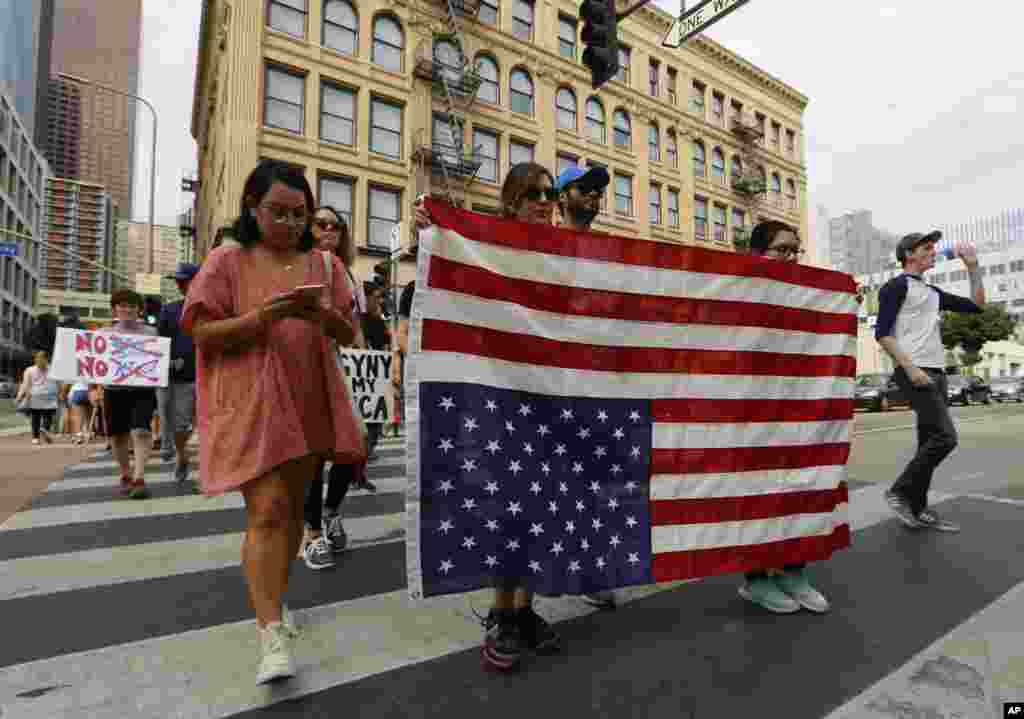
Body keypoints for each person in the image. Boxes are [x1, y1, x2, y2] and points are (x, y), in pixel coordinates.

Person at [182, 160, 362, 685]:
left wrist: (319, 316)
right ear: (252, 210)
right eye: (277, 212)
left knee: (289, 513)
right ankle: (269, 634)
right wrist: (262, 317)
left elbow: (347, 332)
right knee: (267, 509)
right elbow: (202, 332)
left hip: (308, 396)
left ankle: (275, 601)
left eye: (299, 213)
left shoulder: (324, 265)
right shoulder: (227, 259)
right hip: (249, 400)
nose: (289, 223)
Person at [415, 164, 563, 672]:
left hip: (550, 398)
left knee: (538, 509)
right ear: (510, 201)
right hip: (500, 402)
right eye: (533, 194)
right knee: (508, 508)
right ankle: (502, 613)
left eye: (550, 194)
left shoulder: (564, 254)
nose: (545, 201)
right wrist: (433, 234)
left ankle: (524, 611)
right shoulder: (488, 246)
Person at [730, 220, 832, 615]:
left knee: (797, 491)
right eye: (781, 250)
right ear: (758, 254)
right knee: (757, 498)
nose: (790, 257)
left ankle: (793, 572)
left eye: (795, 250)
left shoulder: (807, 297)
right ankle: (755, 581)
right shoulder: (737, 293)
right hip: (752, 412)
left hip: (797, 411)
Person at [876, 231, 984, 533]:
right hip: (915, 370)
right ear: (909, 254)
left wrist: (973, 267)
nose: (933, 251)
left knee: (929, 440)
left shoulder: (932, 292)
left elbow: (977, 305)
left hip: (936, 371)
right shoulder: (895, 287)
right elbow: (882, 333)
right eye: (927, 247)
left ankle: (918, 507)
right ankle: (899, 491)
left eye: (934, 247)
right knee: (945, 438)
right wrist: (910, 369)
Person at [299, 205, 365, 571]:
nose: (328, 231)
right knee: (315, 451)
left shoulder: (345, 274)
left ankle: (330, 511)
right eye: (320, 224)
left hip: (342, 366)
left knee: (351, 444)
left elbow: (353, 324)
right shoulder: (300, 264)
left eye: (336, 227)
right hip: (307, 368)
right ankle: (310, 532)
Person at [103, 289, 160, 499]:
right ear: (114, 308)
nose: (127, 309)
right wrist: (92, 389)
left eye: (132, 306)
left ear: (139, 310)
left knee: (141, 431)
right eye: (122, 305)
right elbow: (92, 364)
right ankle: (126, 474)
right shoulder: (103, 334)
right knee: (118, 436)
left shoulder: (151, 333)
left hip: (142, 391)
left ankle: (139, 478)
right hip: (112, 391)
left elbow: (157, 361)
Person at [157, 263, 201, 484]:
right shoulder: (169, 310)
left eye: (184, 280)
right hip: (183, 377)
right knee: (181, 424)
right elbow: (161, 343)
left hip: (212, 374)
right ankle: (182, 455)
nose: (180, 285)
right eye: (178, 281)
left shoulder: (212, 306)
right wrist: (168, 361)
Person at [16, 351, 59, 445]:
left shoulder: (51, 369)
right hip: (42, 396)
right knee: (41, 416)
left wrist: (20, 396)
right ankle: (42, 431)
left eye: (40, 358)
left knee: (41, 416)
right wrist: (21, 395)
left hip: (44, 396)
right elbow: (25, 384)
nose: (38, 360)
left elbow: (26, 384)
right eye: (37, 358)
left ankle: (37, 436)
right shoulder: (31, 370)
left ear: (46, 359)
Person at [554, 165, 609, 233]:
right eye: (584, 187)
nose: (593, 193)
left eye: (597, 189)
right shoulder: (546, 241)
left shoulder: (605, 243)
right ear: (562, 196)